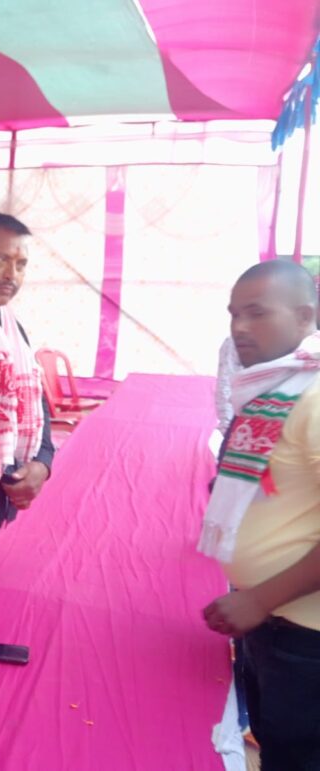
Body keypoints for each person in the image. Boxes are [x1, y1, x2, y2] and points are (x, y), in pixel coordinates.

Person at [200, 260, 320, 770]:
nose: (239, 327)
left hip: (303, 634)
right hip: (274, 623)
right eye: (234, 314)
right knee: (277, 740)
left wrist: (260, 599)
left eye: (256, 313)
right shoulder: (277, 386)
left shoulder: (314, 396)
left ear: (305, 317)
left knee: (297, 755)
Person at [0, 213, 55, 534]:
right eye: (1, 259)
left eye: (21, 265)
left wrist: (42, 462)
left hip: (4, 487)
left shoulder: (11, 326)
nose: (11, 275)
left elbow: (35, 396)